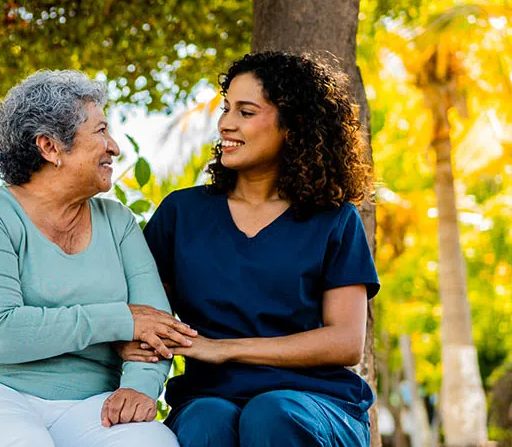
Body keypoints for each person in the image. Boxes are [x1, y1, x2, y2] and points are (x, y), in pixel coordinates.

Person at [0, 70, 192, 446]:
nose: (114, 147)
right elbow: (0, 334)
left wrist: (140, 387)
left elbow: (156, 326)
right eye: (101, 131)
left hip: (90, 403)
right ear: (50, 147)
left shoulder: (117, 222)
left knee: (150, 443)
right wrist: (121, 320)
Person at [121, 52, 379, 446]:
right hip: (208, 397)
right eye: (226, 108)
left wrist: (224, 350)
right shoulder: (182, 212)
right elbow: (146, 313)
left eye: (246, 111)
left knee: (270, 413)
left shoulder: (334, 219)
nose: (226, 123)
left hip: (316, 403)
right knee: (206, 421)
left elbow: (345, 341)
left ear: (293, 127)